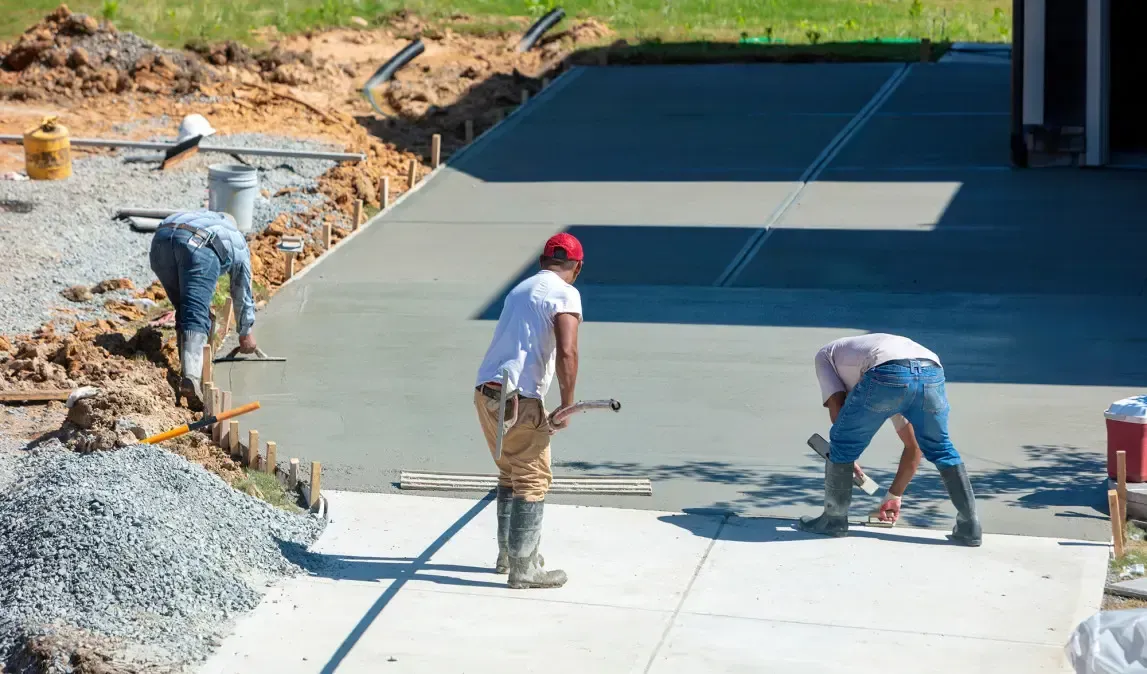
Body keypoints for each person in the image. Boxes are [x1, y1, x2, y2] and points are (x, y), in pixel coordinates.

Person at [474, 232, 585, 589]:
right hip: (520, 399)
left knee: (510, 472)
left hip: (487, 392)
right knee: (533, 479)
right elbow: (567, 351)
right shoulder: (566, 294)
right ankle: (524, 569)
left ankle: (508, 556)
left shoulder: (519, 290)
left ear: (541, 262)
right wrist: (567, 405)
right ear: (577, 268)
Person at [798, 333, 982, 546]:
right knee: (941, 448)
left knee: (842, 444)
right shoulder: (888, 385)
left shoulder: (825, 356)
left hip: (885, 371)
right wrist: (894, 495)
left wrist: (845, 458)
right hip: (930, 370)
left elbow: (837, 405)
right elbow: (914, 447)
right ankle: (970, 525)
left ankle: (834, 520)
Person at [149, 209, 257, 407]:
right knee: (195, 313)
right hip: (199, 245)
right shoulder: (236, 238)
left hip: (161, 240)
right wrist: (246, 331)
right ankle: (191, 377)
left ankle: (187, 370)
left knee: (185, 307)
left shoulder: (205, 217)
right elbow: (242, 289)